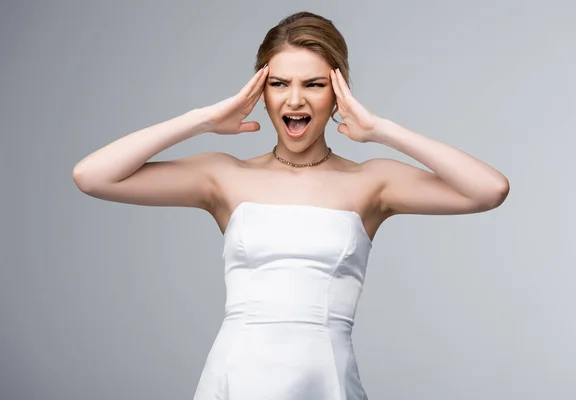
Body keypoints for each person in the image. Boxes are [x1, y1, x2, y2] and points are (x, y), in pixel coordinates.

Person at [73, 11, 509, 400]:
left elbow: (488, 190)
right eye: (279, 84)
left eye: (314, 85)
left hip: (326, 380)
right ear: (260, 92)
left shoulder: (371, 182)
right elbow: (92, 176)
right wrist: (203, 119)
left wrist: (381, 129)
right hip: (235, 378)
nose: (294, 100)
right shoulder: (224, 176)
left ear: (338, 93)